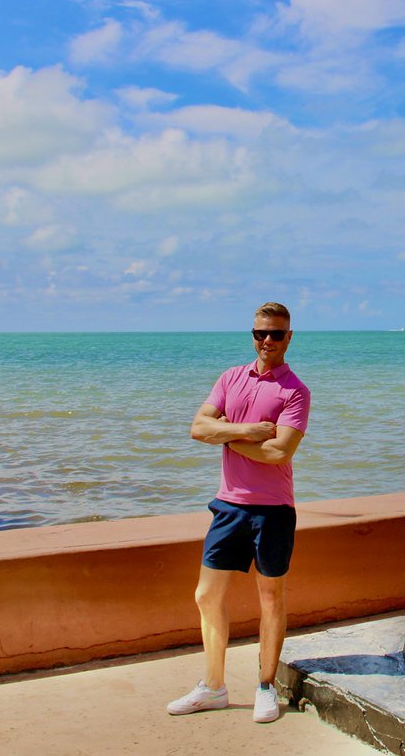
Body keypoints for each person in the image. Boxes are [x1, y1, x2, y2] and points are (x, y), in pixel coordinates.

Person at [166, 302, 310, 724]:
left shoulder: (295, 390)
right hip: (228, 506)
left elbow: (280, 450)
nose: (268, 341)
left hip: (274, 512)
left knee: (270, 600)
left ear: (289, 338)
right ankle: (213, 686)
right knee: (206, 595)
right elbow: (198, 428)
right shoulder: (231, 377)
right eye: (260, 333)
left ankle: (265, 686)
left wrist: (222, 434)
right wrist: (245, 431)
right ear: (252, 335)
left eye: (277, 334)